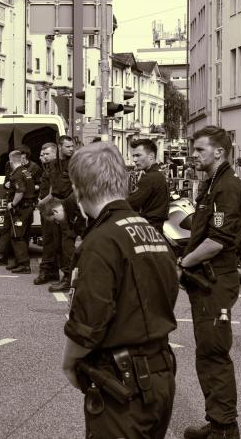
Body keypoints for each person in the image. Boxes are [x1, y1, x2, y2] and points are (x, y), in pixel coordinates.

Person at [59, 143, 178, 439]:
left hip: (122, 383)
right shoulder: (148, 230)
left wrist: (69, 362)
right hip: (159, 371)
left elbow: (89, 321)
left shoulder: (101, 240)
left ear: (78, 189)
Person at [179, 126, 241, 439]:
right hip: (206, 280)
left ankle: (224, 428)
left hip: (215, 281)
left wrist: (184, 263)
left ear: (219, 152)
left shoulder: (227, 187)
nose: (194, 155)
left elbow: (218, 241)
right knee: (207, 353)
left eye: (200, 150)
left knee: (214, 354)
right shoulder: (213, 184)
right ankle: (217, 422)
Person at [49, 136, 79, 292]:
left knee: (67, 242)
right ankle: (63, 275)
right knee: (57, 243)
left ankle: (68, 278)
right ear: (59, 147)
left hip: (68, 206)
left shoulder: (74, 163)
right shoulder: (53, 163)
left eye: (72, 146)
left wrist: (70, 206)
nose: (71, 149)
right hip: (55, 203)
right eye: (68, 146)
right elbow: (52, 185)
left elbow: (76, 186)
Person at [127, 138, 169, 231]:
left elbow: (130, 204)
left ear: (151, 156)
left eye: (138, 155)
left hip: (148, 229)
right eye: (133, 156)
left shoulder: (150, 178)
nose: (134, 159)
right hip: (155, 228)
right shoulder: (158, 175)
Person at [5, 150, 37, 274]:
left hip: (21, 209)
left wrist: (12, 204)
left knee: (17, 236)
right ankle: (19, 261)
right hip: (28, 207)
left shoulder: (17, 174)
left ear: (11, 160)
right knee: (22, 235)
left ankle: (24, 265)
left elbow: (20, 191)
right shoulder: (26, 171)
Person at [34, 142, 61, 284]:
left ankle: (46, 271)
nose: (43, 157)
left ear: (55, 154)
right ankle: (53, 271)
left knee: (49, 241)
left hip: (51, 208)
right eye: (42, 154)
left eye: (47, 154)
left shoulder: (55, 168)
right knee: (49, 240)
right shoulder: (47, 168)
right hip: (47, 207)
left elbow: (53, 191)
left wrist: (41, 202)